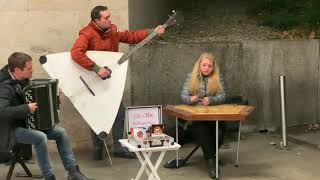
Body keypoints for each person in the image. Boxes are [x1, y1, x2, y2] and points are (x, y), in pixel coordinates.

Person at [71, 5, 165, 160]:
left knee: (119, 113)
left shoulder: (112, 31)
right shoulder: (86, 34)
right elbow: (76, 53)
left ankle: (118, 148)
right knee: (96, 115)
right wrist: (95, 68)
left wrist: (151, 32)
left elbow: (130, 36)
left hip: (108, 82)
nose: (110, 20)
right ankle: (97, 148)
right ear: (96, 20)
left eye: (109, 16)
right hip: (93, 82)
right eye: (106, 18)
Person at [0, 52, 92, 180]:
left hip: (28, 123)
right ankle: (49, 177)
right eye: (29, 68)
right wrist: (26, 108)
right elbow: (2, 111)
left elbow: (35, 98)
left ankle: (73, 172)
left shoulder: (22, 80)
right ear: (17, 70)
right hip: (10, 130)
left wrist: (54, 100)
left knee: (61, 133)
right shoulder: (4, 87)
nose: (32, 71)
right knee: (40, 137)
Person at [180, 52, 226, 179]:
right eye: (204, 65)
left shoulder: (218, 77)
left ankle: (210, 155)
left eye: (209, 66)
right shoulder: (191, 77)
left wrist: (211, 100)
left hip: (213, 115)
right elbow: (183, 96)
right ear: (199, 65)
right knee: (201, 128)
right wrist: (191, 99)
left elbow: (223, 96)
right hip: (196, 117)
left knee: (220, 132)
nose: (206, 68)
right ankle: (211, 163)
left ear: (213, 67)